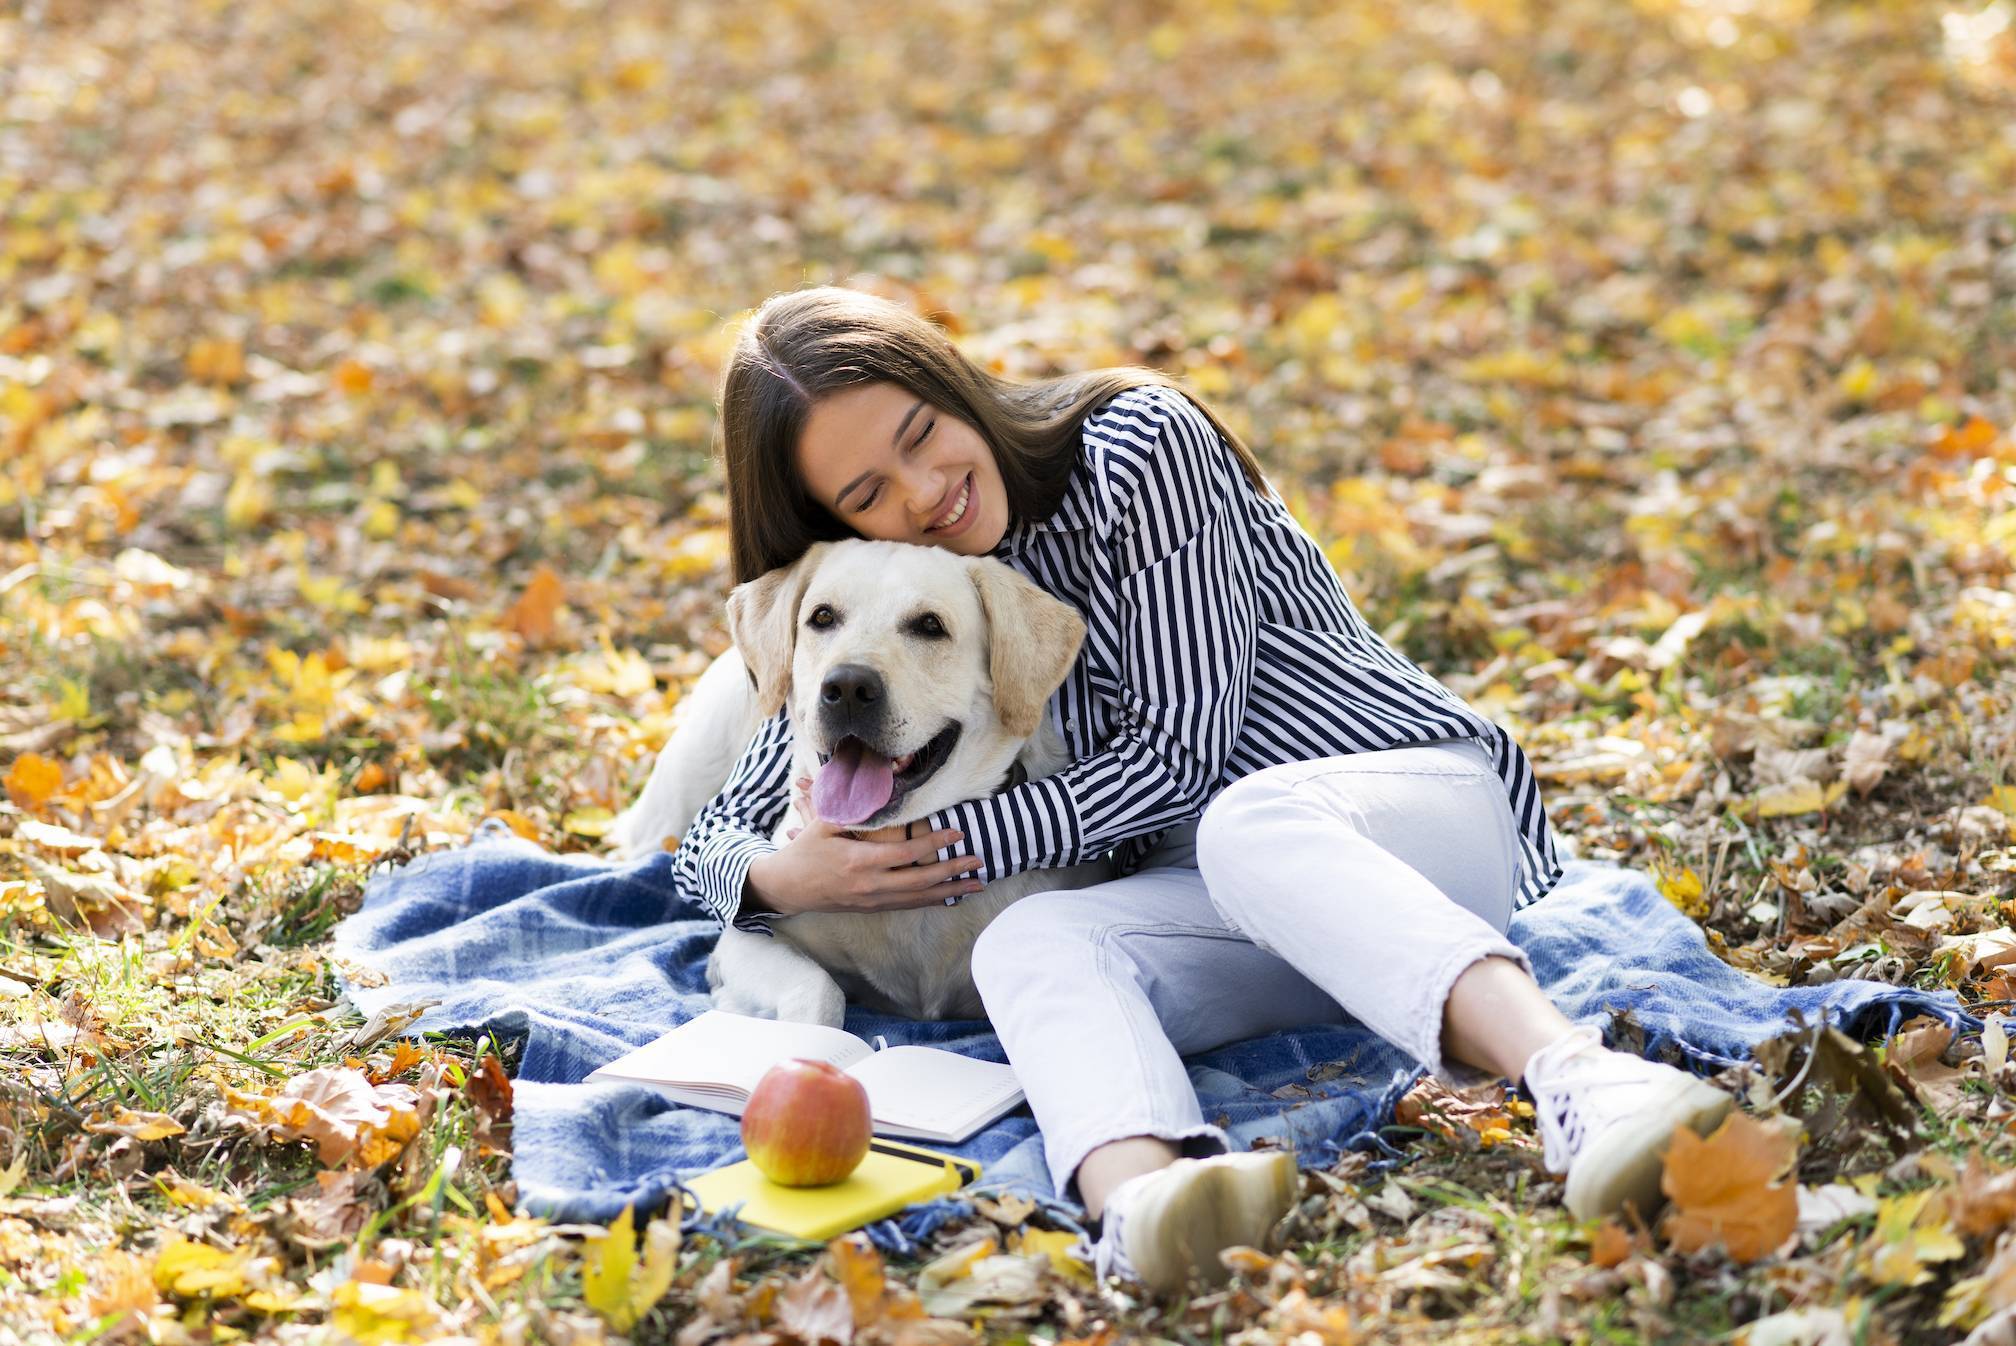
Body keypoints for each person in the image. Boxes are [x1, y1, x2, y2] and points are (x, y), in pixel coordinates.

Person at [669, 285, 1734, 1293]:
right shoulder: (892, 601)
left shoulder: (1139, 444)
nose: (922, 492)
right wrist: (780, 869)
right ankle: (1146, 1200)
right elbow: (739, 807)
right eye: (867, 497)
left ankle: (1583, 1081)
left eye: (918, 433)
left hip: (1405, 824)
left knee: (1242, 820)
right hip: (1234, 906)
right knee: (1031, 940)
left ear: (950, 381)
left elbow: (1180, 754)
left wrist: (941, 848)